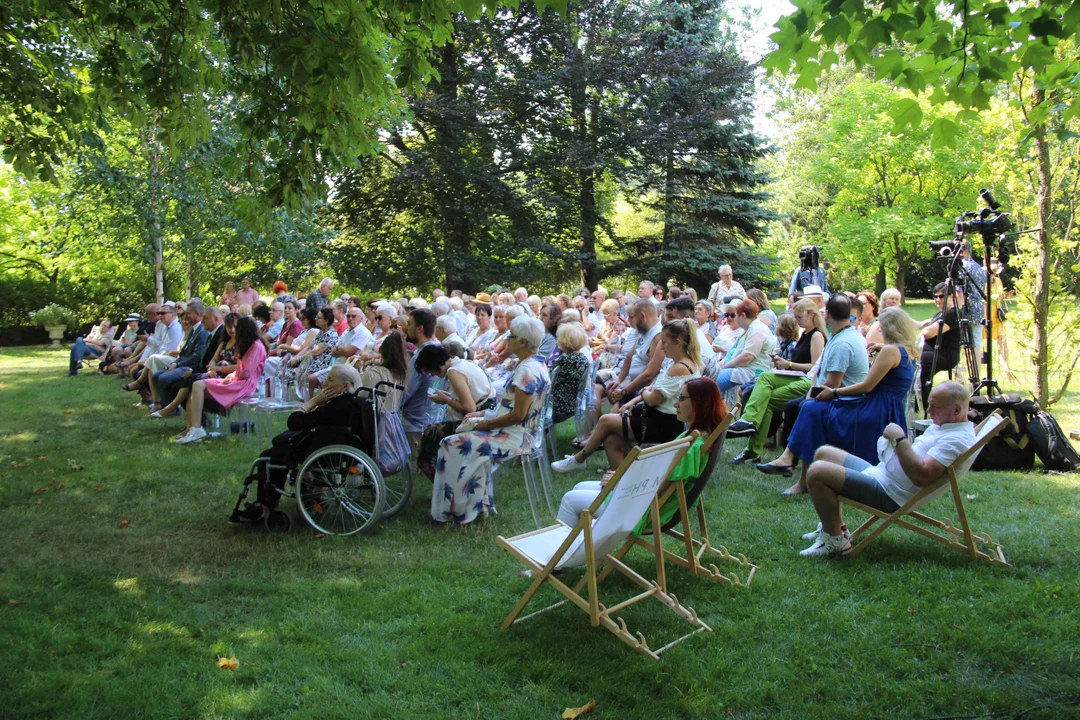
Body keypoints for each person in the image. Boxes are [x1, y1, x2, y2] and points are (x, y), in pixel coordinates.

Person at [798, 381, 976, 556]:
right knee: (824, 453)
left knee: (817, 472)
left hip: (890, 493)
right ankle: (832, 525)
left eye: (935, 406)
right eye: (929, 404)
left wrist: (899, 440)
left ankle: (835, 540)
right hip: (884, 475)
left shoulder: (955, 440)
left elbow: (922, 476)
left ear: (956, 410)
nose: (929, 410)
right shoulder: (946, 427)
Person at [556, 377, 726, 528]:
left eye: (681, 399)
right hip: (641, 499)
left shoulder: (691, 447)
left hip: (641, 507)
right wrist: (623, 477)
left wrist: (620, 482)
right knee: (580, 487)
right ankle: (580, 548)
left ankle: (556, 558)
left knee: (570, 500)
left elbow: (658, 488)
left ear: (699, 403)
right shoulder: (698, 437)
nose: (675, 404)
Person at [431, 316, 551, 524]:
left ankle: (459, 509)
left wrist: (484, 424)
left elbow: (517, 416)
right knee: (462, 441)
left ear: (523, 342)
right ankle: (476, 506)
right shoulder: (536, 364)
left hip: (515, 436)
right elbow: (510, 408)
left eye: (511, 336)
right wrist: (480, 415)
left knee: (450, 443)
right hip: (519, 432)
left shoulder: (526, 371)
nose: (507, 340)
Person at [786, 306, 919, 483]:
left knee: (813, 409)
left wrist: (834, 392)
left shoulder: (890, 351)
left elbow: (866, 386)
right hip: (891, 409)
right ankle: (793, 462)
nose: (879, 330)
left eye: (880, 327)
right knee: (813, 408)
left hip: (875, 409)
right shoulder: (908, 350)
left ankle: (798, 467)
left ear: (889, 328)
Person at [554, 318, 701, 473]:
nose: (661, 347)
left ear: (677, 342)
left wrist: (643, 392)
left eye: (664, 342)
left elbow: (652, 399)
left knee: (605, 420)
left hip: (664, 424)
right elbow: (654, 389)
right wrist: (637, 398)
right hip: (659, 419)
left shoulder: (679, 368)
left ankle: (579, 459)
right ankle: (627, 481)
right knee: (611, 441)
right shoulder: (681, 363)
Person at [756, 294, 870, 492]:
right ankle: (793, 467)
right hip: (840, 396)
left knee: (808, 409)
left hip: (849, 401)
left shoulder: (843, 342)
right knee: (806, 406)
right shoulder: (841, 335)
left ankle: (792, 464)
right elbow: (821, 375)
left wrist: (811, 396)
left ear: (827, 315)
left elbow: (833, 383)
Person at [230, 364, 366, 523]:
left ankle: (264, 507)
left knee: (267, 457)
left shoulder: (337, 406)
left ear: (345, 386)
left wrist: (312, 402)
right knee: (280, 445)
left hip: (322, 451)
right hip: (341, 448)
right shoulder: (355, 403)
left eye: (330, 380)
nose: (325, 384)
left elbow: (294, 422)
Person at [727, 298, 826, 464]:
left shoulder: (816, 335)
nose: (797, 321)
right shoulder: (805, 334)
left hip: (810, 381)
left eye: (799, 317)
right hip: (796, 376)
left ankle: (752, 445)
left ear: (810, 315)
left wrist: (788, 364)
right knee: (765, 377)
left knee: (767, 399)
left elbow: (814, 368)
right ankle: (748, 424)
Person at [175, 316, 268, 444]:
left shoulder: (256, 346)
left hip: (245, 385)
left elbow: (246, 373)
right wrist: (231, 376)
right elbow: (242, 370)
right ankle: (193, 428)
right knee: (195, 387)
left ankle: (196, 429)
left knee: (197, 385)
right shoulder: (250, 345)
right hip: (237, 381)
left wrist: (232, 374)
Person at [415, 344, 495, 480]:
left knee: (430, 435)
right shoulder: (464, 363)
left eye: (430, 371)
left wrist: (446, 400)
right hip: (487, 412)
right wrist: (448, 397)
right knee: (434, 432)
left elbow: (470, 408)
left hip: (478, 419)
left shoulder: (454, 371)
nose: (432, 375)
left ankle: (444, 483)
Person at [152, 312, 238, 419]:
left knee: (189, 381)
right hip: (211, 372)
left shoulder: (238, 343)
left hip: (226, 377)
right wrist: (211, 369)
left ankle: (175, 409)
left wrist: (196, 371)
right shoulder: (223, 341)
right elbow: (212, 360)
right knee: (179, 383)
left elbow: (240, 367)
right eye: (229, 327)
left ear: (216, 319)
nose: (232, 330)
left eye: (205, 318)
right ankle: (192, 423)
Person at [597, 299, 663, 414]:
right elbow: (629, 355)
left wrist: (624, 391)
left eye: (633, 317)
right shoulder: (644, 331)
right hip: (632, 381)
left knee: (611, 417)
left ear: (643, 316)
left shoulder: (657, 336)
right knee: (611, 394)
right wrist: (619, 379)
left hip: (643, 388)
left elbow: (650, 374)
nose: (629, 321)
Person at [144, 300, 211, 409]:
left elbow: (197, 357)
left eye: (189, 314)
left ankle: (172, 407)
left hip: (191, 367)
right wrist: (175, 363)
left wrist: (177, 365)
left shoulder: (202, 331)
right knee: (156, 376)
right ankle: (166, 405)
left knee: (164, 378)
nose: (186, 316)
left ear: (197, 314)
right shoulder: (194, 329)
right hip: (182, 363)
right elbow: (184, 352)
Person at [713, 299, 776, 392]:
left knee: (711, 385)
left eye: (735, 315)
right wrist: (719, 366)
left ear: (743, 315)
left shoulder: (757, 330)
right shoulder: (747, 329)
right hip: (740, 369)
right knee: (710, 379)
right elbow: (733, 352)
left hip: (752, 372)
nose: (735, 319)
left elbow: (747, 357)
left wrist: (724, 367)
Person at [919, 282, 964, 409]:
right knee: (918, 366)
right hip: (932, 353)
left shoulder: (954, 313)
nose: (938, 299)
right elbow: (921, 325)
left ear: (951, 296)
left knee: (916, 362)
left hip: (944, 354)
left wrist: (922, 332)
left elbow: (928, 333)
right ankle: (922, 403)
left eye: (942, 296)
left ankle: (921, 403)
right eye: (935, 296)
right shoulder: (940, 313)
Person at [400, 308, 439, 453]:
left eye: (409, 324)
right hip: (431, 417)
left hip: (414, 422)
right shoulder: (437, 349)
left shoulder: (420, 358)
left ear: (420, 328)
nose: (406, 328)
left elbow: (404, 393)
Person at [550, 323, 591, 424]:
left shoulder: (566, 359)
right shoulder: (583, 358)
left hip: (559, 405)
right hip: (574, 402)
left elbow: (551, 379)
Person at [959, 241, 988, 364]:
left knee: (961, 343)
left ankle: (960, 375)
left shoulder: (962, 266)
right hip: (979, 308)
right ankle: (977, 375)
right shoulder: (979, 268)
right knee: (977, 342)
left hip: (966, 308)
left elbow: (958, 291)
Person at [987, 260, 1016, 380]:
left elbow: (999, 296)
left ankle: (1006, 367)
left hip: (997, 315)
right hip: (985, 315)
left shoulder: (998, 281)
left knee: (1003, 341)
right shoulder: (982, 281)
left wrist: (1004, 296)